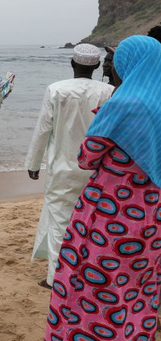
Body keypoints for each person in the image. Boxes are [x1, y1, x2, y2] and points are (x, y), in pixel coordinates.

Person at [44, 35, 161, 340]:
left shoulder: (123, 103)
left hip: (110, 211)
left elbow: (87, 156)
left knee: (91, 284)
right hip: (152, 211)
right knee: (138, 287)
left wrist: (104, 119)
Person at [25, 43, 114, 290]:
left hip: (62, 168)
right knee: (91, 220)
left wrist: (33, 163)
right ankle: (87, 272)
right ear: (96, 66)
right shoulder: (109, 91)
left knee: (60, 222)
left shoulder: (56, 90)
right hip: (97, 167)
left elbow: (44, 129)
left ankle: (55, 277)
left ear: (72, 64)